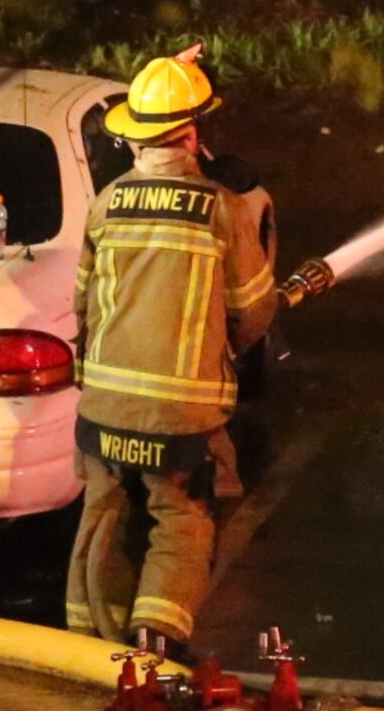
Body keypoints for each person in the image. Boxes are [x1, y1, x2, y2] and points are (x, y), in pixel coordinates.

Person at [65, 48, 277, 658]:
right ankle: (155, 646)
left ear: (135, 142)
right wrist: (221, 350)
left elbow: (83, 303)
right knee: (180, 522)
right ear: (193, 135)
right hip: (180, 416)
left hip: (103, 407)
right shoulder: (221, 208)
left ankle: (83, 652)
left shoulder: (106, 205)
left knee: (101, 521)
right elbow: (253, 310)